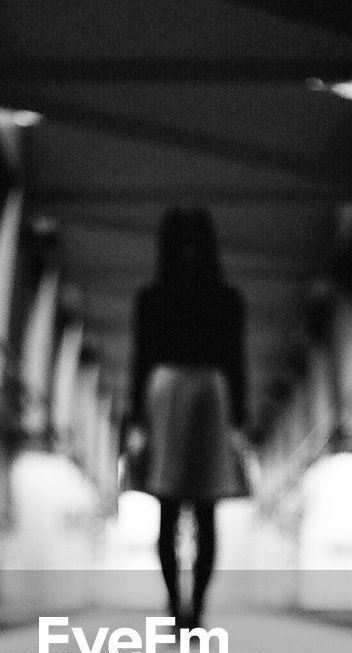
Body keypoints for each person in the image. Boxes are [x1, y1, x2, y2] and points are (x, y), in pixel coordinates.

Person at [126, 207, 249, 628]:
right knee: (204, 510)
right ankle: (192, 608)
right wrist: (239, 424)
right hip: (211, 395)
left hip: (168, 394)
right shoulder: (228, 298)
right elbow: (236, 363)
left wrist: (136, 422)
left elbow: (140, 361)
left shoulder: (151, 298)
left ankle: (181, 605)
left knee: (169, 508)